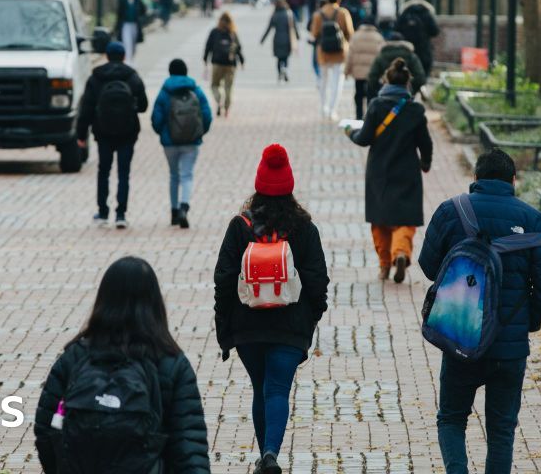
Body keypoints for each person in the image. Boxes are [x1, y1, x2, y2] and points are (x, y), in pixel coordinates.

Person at [418, 148, 541, 474]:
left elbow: (429, 267)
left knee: (451, 419)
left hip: (461, 338)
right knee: (501, 432)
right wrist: (527, 321)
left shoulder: (451, 211)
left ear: (475, 179)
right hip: (509, 349)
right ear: (513, 180)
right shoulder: (530, 219)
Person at [213, 144, 330, 474]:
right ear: (289, 186)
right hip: (289, 327)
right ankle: (270, 454)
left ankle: (266, 455)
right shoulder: (304, 228)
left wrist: (226, 330)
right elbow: (318, 281)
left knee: (260, 388)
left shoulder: (241, 227)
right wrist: (309, 318)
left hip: (248, 328)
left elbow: (223, 279)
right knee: (277, 389)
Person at [34, 256, 211, 473]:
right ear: (155, 303)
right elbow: (189, 447)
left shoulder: (75, 357)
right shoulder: (171, 363)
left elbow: (46, 429)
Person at [346, 59, 432, 282]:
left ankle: (384, 264)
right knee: (405, 218)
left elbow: (364, 138)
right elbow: (425, 142)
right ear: (407, 84)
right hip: (408, 171)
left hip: (379, 171)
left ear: (385, 81)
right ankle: (401, 252)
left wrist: (350, 133)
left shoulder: (376, 105)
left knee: (380, 219)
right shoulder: (415, 109)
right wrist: (426, 162)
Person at [77, 42, 148, 229]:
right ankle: (121, 214)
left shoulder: (96, 77)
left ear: (107, 56)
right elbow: (143, 105)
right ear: (124, 56)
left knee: (104, 171)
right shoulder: (132, 76)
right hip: (127, 132)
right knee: (123, 173)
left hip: (103, 132)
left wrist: (81, 134)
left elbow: (86, 108)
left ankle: (102, 212)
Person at [150, 59, 213, 229]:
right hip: (191, 141)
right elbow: (207, 114)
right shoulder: (195, 90)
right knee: (187, 175)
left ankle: (174, 211)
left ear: (170, 72)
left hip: (170, 143)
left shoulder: (164, 92)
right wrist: (199, 132)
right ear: (186, 72)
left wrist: (162, 134)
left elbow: (156, 118)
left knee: (173, 175)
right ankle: (184, 207)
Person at [309, 0, 355, 120]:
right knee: (337, 81)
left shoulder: (318, 14)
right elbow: (350, 33)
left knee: (323, 80)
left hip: (322, 52)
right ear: (338, 0)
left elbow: (313, 34)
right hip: (339, 52)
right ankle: (332, 109)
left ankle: (323, 107)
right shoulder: (343, 13)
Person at [203, 12, 245, 118]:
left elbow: (208, 47)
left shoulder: (214, 32)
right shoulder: (233, 33)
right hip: (230, 64)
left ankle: (218, 99)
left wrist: (205, 59)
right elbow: (238, 49)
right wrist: (242, 61)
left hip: (217, 63)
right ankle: (226, 109)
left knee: (214, 85)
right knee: (228, 88)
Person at [344, 19, 386, 120]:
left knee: (358, 95)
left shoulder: (356, 36)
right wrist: (383, 73)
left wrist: (346, 70)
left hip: (358, 72)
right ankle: (370, 117)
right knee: (372, 95)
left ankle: (359, 116)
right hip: (373, 73)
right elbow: (383, 57)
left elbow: (350, 55)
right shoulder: (378, 37)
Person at [367, 32, 427, 101]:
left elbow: (372, 76)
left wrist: (379, 89)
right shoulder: (410, 55)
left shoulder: (381, 55)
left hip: (385, 96)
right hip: (406, 98)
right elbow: (420, 77)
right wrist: (412, 90)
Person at [396, 0, 440, 76]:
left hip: (407, 50)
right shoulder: (427, 12)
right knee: (423, 74)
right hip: (424, 50)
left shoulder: (405, 12)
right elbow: (435, 31)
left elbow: (397, 29)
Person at [261, 0, 300, 83]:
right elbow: (294, 27)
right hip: (287, 39)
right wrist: (297, 36)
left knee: (279, 58)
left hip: (277, 39)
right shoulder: (289, 14)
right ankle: (285, 69)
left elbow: (268, 28)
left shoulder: (274, 15)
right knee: (286, 57)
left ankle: (279, 72)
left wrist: (262, 39)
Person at [115, 0, 147, 64]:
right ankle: (127, 60)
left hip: (135, 24)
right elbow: (119, 13)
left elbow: (143, 10)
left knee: (133, 43)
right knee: (126, 42)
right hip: (125, 24)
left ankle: (131, 58)